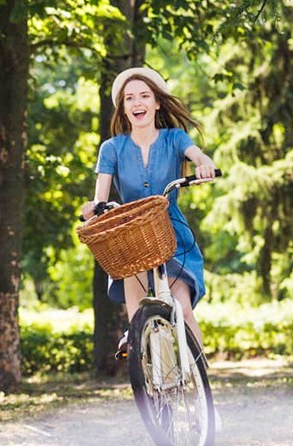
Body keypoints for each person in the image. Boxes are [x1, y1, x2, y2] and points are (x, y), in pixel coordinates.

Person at [80, 66, 217, 359]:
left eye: (144, 96)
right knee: (139, 318)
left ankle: (202, 388)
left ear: (157, 103)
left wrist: (203, 164)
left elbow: (197, 155)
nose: (137, 102)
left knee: (182, 309)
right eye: (129, 98)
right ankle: (150, 385)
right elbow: (99, 198)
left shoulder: (174, 138)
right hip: (132, 236)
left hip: (172, 234)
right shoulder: (112, 148)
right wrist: (92, 209)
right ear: (123, 108)